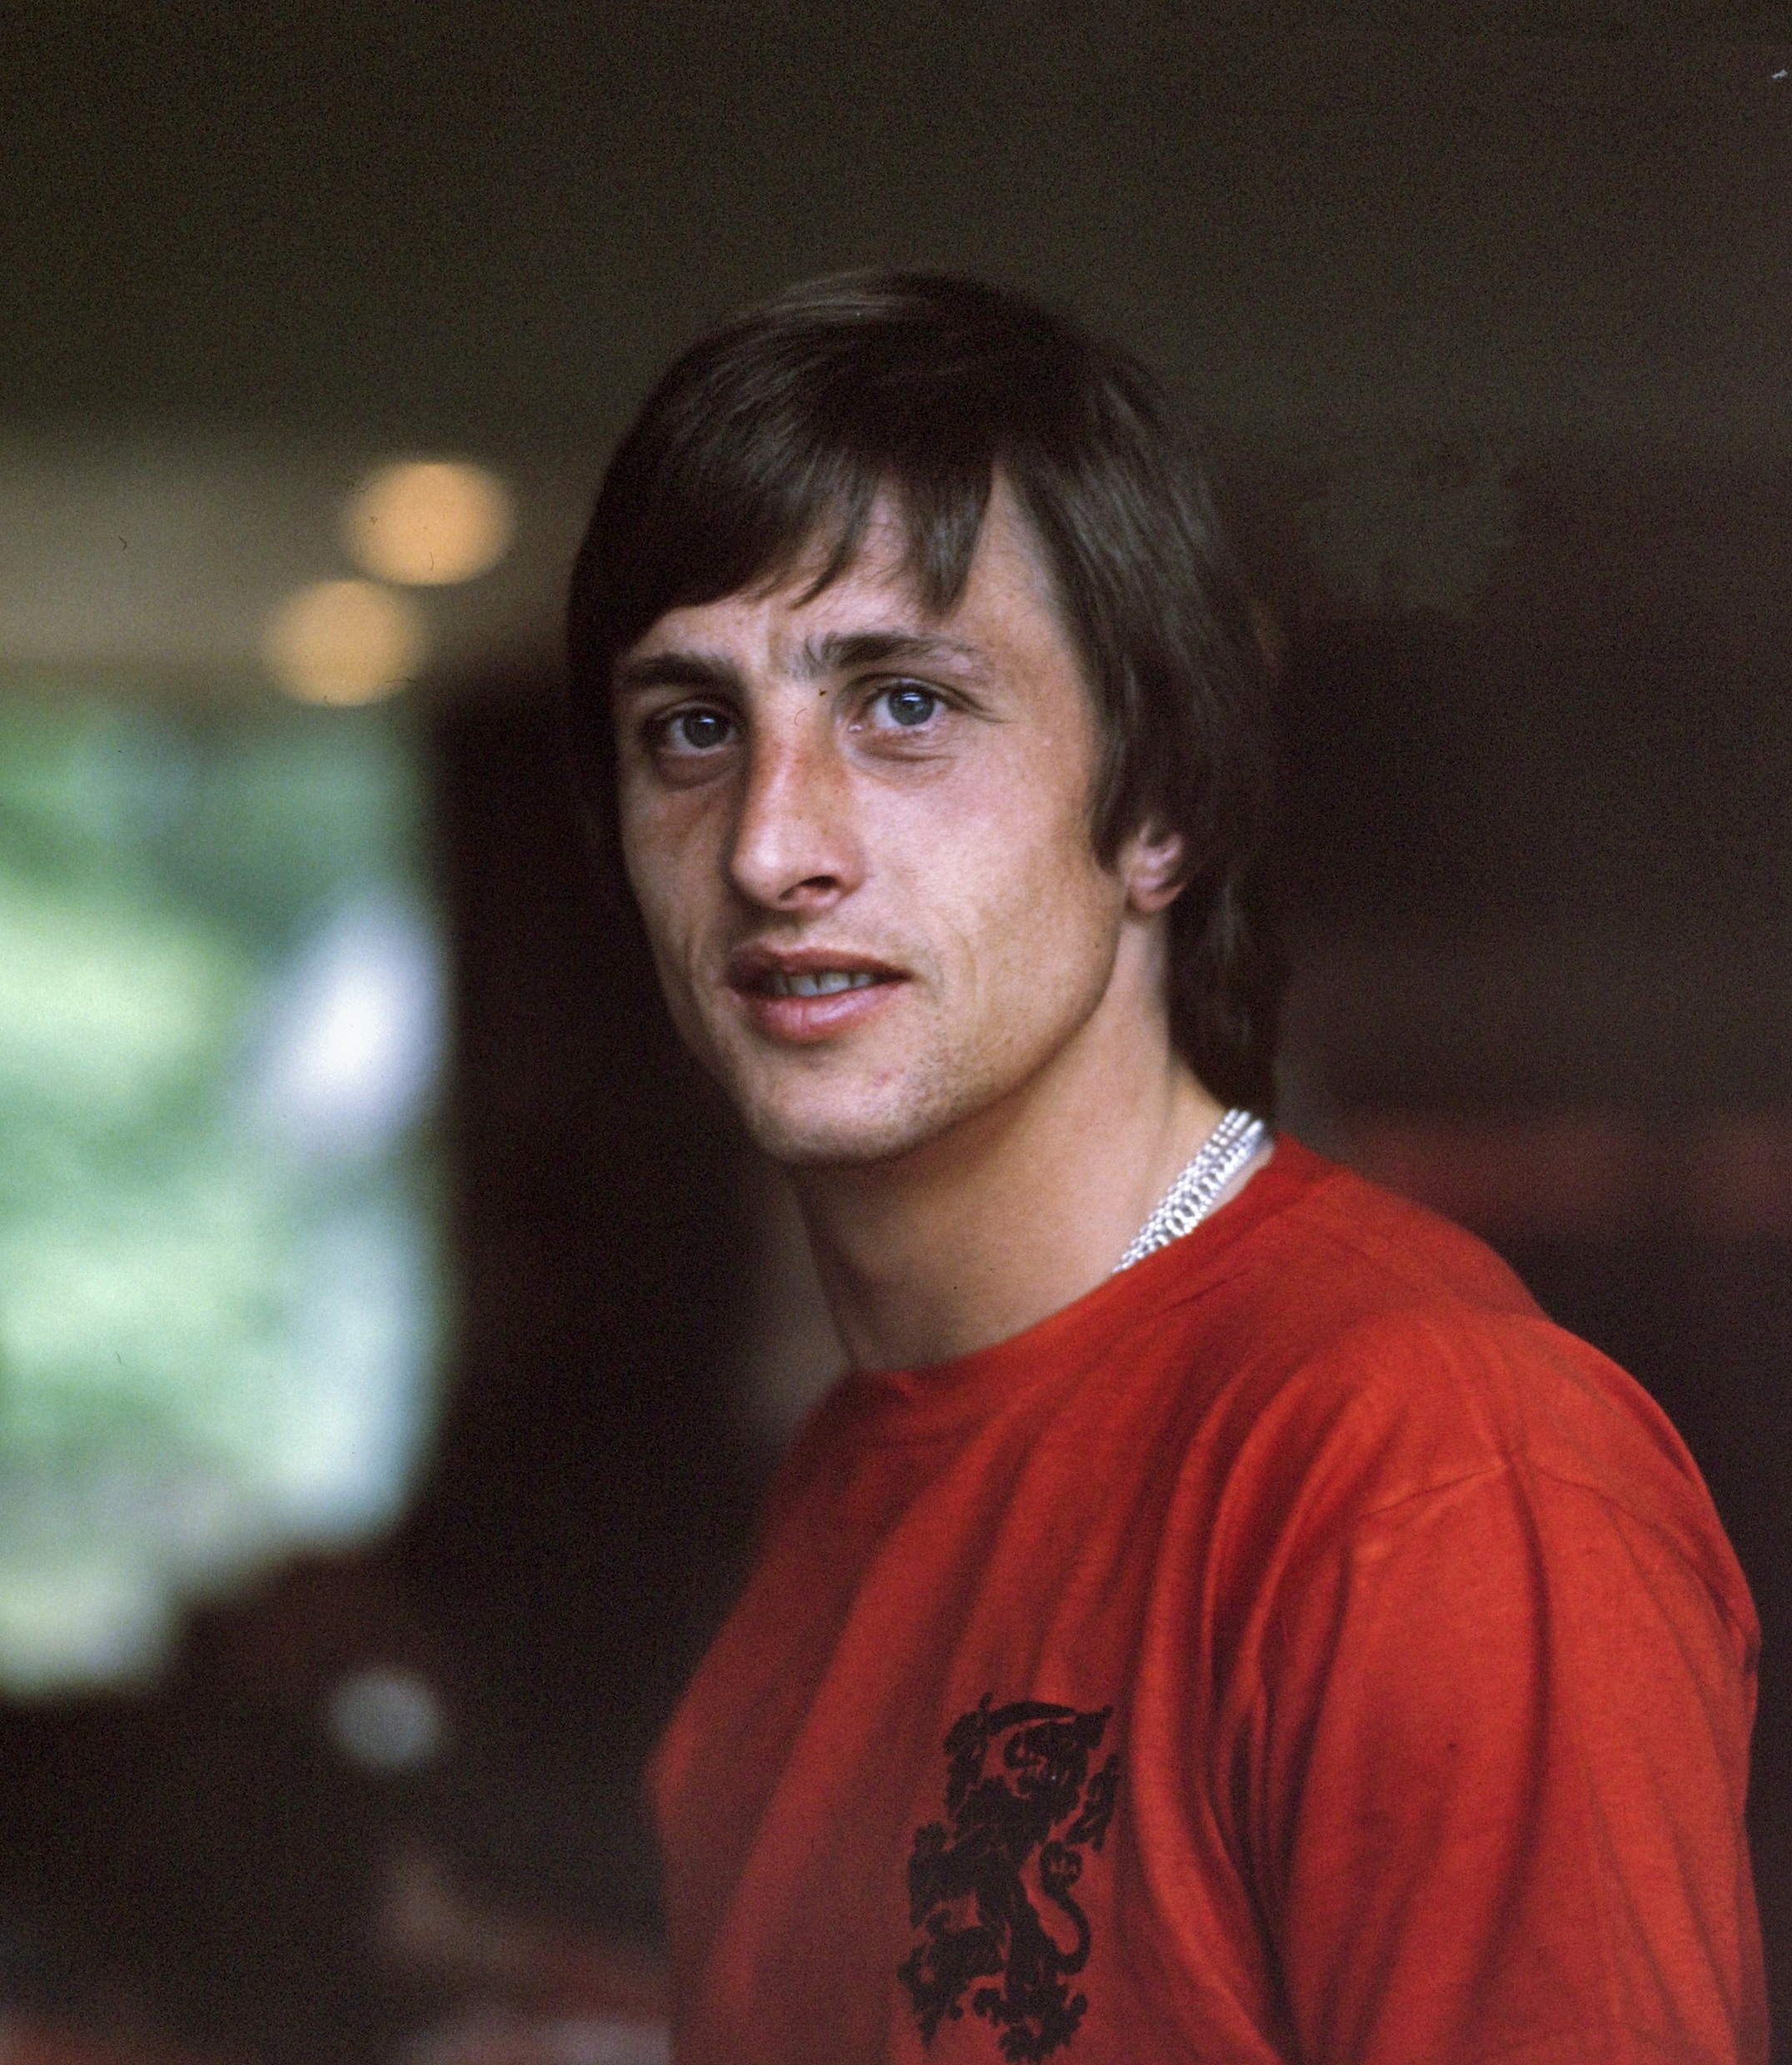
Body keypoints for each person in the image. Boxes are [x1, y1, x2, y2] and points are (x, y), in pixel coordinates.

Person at [565, 271, 1765, 2064]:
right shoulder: (838, 1492)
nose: (768, 844)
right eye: (690, 726)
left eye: (904, 704)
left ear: (1159, 809)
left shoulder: (1428, 1466)